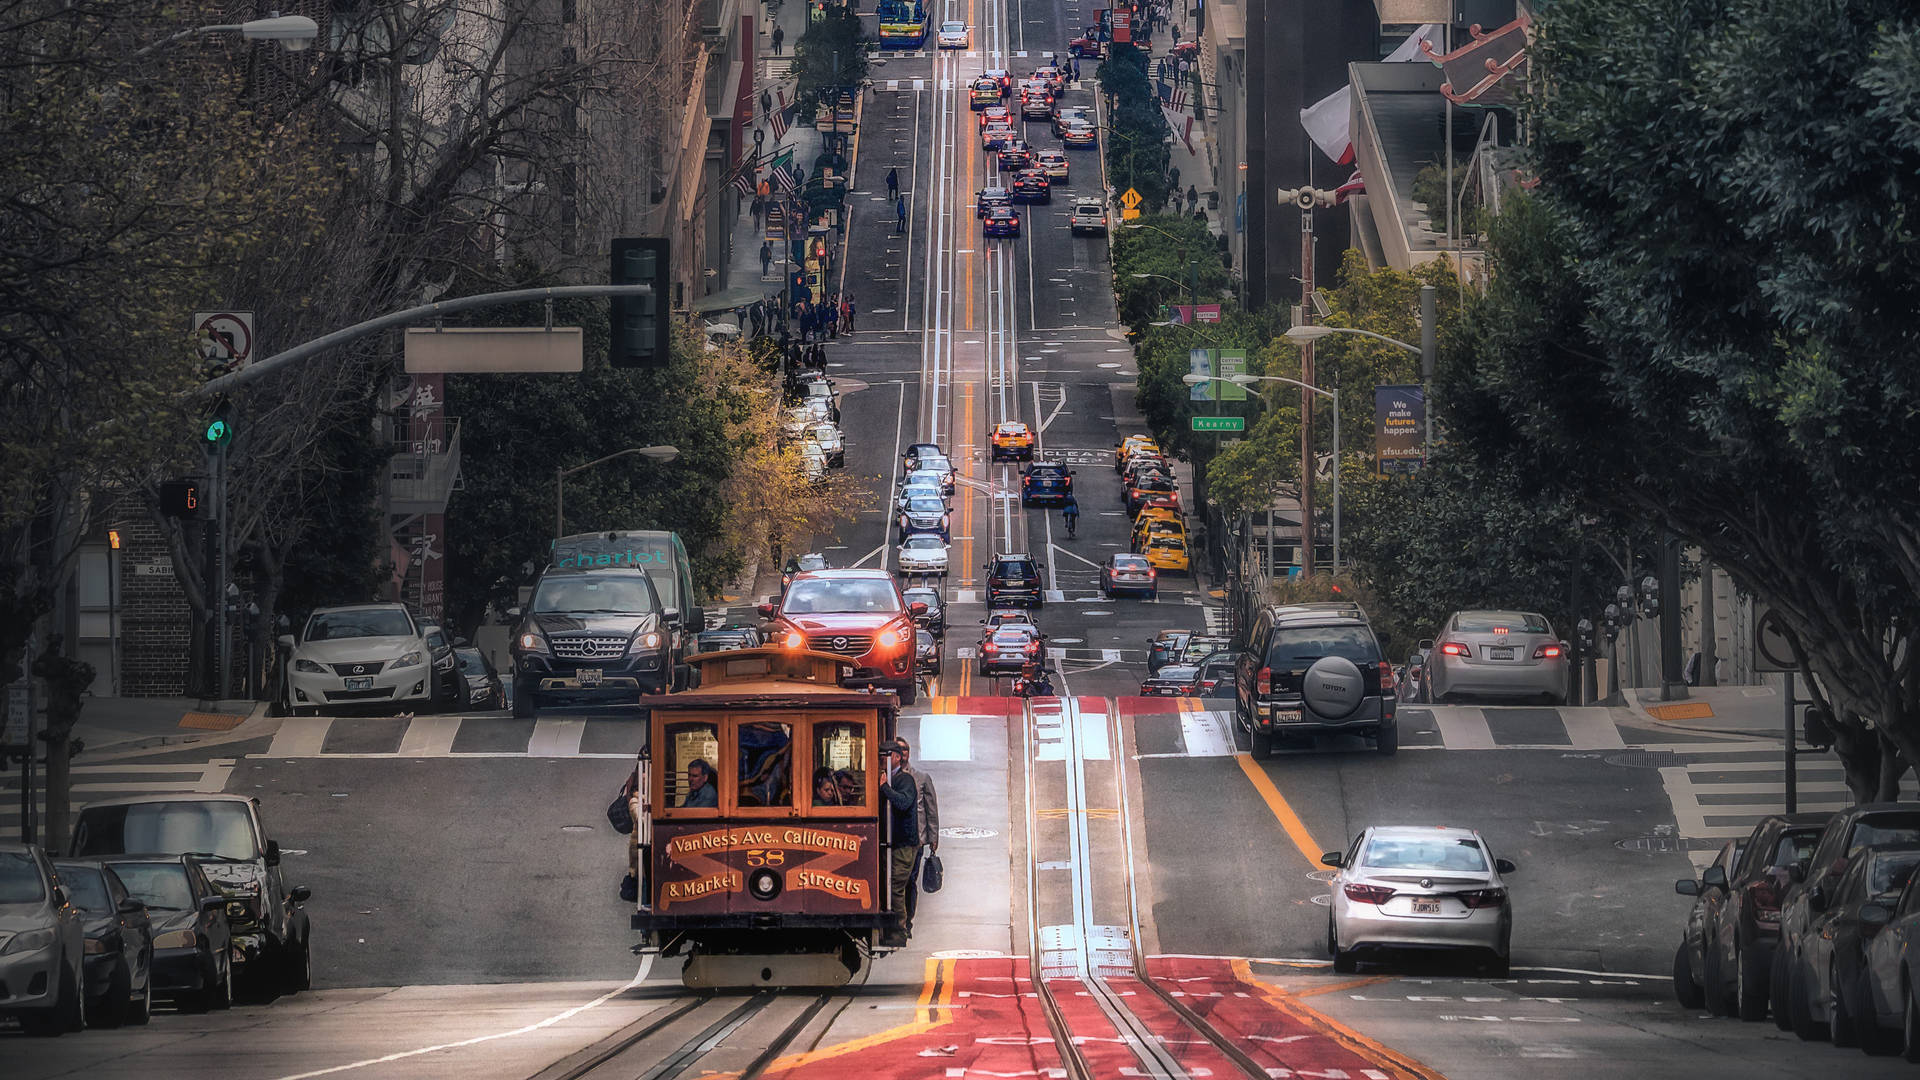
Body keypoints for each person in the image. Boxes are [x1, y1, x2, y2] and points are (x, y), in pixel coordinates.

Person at [892, 738, 940, 928]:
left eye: (904, 750)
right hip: (896, 838)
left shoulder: (921, 777)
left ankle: (907, 919)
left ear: (908, 753)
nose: (902, 754)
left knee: (909, 880)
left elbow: (931, 809)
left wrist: (933, 836)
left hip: (916, 840)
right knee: (897, 881)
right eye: (898, 750)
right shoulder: (889, 776)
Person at [880, 740, 920, 946]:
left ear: (896, 757)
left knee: (896, 885)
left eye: (885, 756)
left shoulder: (905, 780)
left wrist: (885, 788)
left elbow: (903, 803)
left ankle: (899, 929)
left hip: (904, 844)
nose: (881, 760)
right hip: (892, 843)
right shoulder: (889, 779)